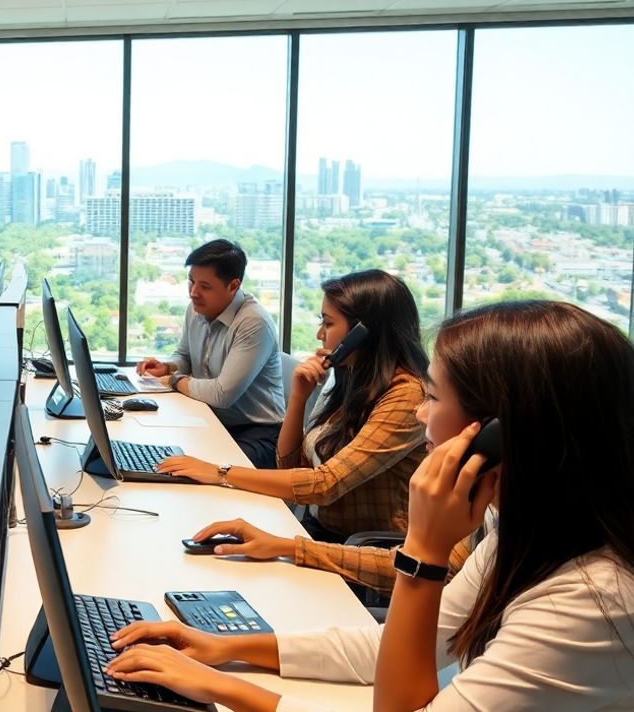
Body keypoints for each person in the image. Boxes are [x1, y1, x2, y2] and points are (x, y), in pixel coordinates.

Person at [106, 301, 634, 711]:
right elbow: (393, 649)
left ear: (495, 434)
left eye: (434, 396)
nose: (422, 414)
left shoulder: (593, 601)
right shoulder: (520, 529)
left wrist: (424, 554)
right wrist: (226, 648)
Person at [157, 270, 429, 542]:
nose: (320, 334)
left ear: (363, 333)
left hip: (358, 545)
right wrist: (298, 397)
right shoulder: (356, 378)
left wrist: (220, 473)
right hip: (317, 529)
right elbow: (289, 464)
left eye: (328, 324)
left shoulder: (405, 396)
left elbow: (325, 485)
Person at [136, 239, 284, 468]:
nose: (194, 293)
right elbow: (184, 356)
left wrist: (174, 380)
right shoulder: (196, 308)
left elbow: (221, 394)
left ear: (233, 286)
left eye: (205, 286)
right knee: (157, 453)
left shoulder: (253, 322)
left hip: (258, 433)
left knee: (188, 471)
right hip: (210, 419)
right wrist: (169, 367)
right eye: (191, 282)